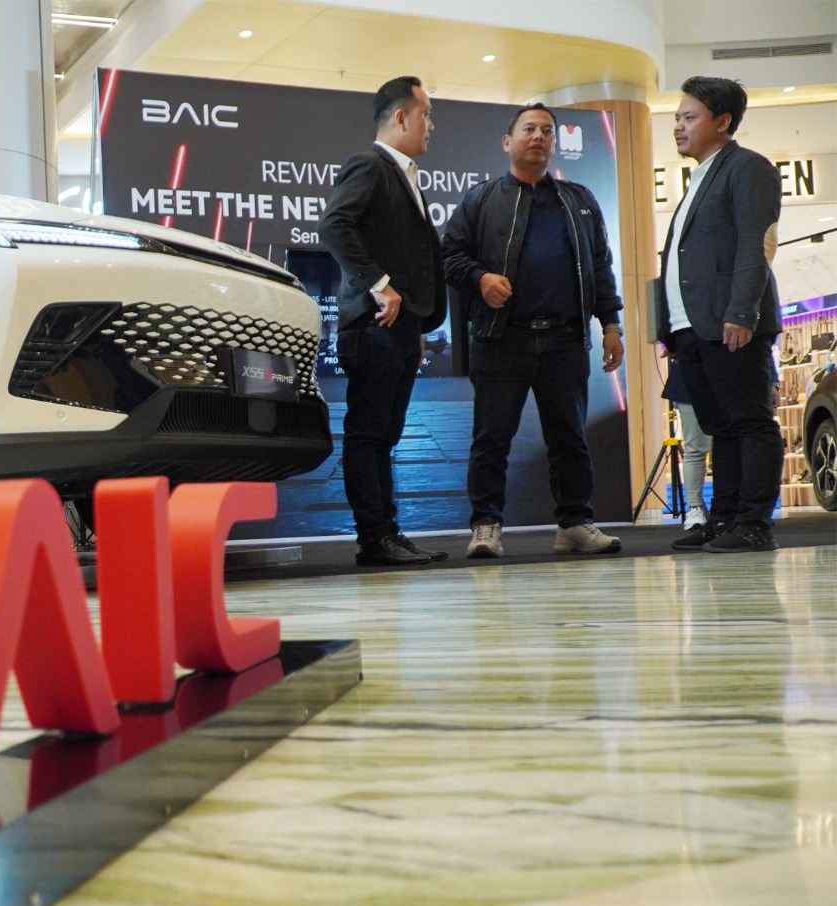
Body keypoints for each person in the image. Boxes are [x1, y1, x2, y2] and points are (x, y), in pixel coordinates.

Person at [440, 104, 625, 559]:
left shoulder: (579, 200)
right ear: (508, 142)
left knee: (570, 438)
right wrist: (480, 278)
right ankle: (486, 525)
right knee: (491, 438)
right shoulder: (480, 199)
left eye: (547, 130)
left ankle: (575, 524)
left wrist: (611, 324)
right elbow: (449, 257)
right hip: (501, 338)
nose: (539, 136)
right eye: (529, 129)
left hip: (564, 339)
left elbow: (600, 266)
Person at [319, 75, 449, 566]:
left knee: (386, 435)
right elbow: (333, 224)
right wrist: (380, 283)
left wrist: (415, 326)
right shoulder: (370, 164)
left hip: (398, 329)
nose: (431, 125)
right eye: (426, 114)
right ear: (400, 117)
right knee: (369, 433)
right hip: (373, 327)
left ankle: (387, 531)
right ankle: (374, 538)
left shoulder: (404, 174)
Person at [658, 76, 784, 553]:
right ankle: (726, 518)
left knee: (750, 422)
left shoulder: (748, 168)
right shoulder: (699, 176)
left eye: (689, 117)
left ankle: (755, 523)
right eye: (677, 118)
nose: (678, 126)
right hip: (694, 327)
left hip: (731, 322)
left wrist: (742, 312)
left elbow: (757, 245)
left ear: (723, 121)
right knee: (720, 427)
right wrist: (670, 329)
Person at [660, 362, 712, 529]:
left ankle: (731, 509)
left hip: (730, 377)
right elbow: (668, 345)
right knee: (695, 448)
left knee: (731, 448)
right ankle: (695, 508)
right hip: (689, 378)